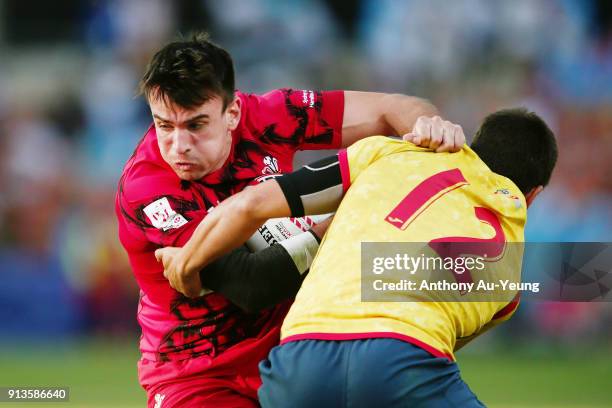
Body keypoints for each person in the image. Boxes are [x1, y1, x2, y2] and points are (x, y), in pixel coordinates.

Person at [115, 32, 464, 407]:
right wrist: (348, 221)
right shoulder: (149, 189)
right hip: (200, 375)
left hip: (297, 353)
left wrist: (430, 127)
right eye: (164, 125)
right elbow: (252, 285)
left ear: (231, 113)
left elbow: (394, 107)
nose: (178, 145)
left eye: (196, 125)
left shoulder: (268, 116)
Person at [156, 109, 558, 407]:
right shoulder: (511, 274)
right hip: (401, 359)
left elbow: (250, 206)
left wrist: (186, 262)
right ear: (534, 194)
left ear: (472, 145)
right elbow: (437, 344)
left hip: (295, 364)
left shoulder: (390, 153)